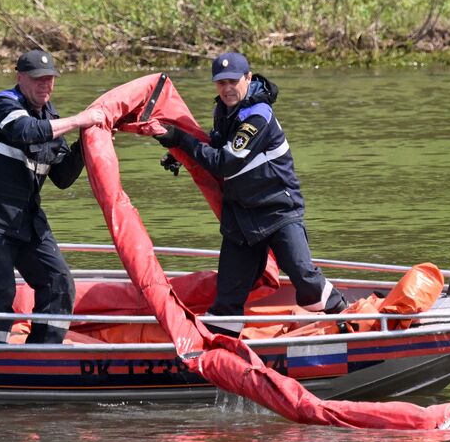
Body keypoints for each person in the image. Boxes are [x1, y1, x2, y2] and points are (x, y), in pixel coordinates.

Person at [145, 52, 347, 336]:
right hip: (241, 214)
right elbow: (215, 144)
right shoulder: (224, 111)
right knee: (228, 299)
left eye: (233, 81)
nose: (227, 88)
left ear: (248, 78)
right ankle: (218, 351)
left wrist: (180, 139)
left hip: (277, 210)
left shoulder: (258, 115)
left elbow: (225, 161)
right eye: (220, 82)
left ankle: (350, 317)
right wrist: (181, 154)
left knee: (306, 281)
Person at [0, 48, 106, 344]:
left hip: (26, 217)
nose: (45, 85)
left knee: (58, 280)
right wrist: (80, 120)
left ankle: (44, 350)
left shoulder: (50, 117)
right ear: (20, 77)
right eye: (38, 79)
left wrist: (87, 143)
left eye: (50, 79)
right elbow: (24, 131)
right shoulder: (2, 103)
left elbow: (62, 177)